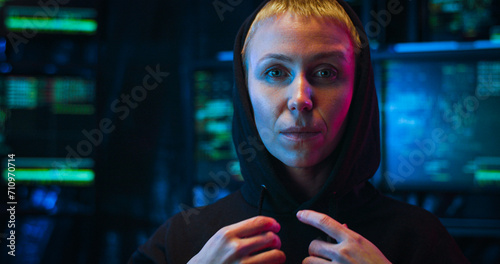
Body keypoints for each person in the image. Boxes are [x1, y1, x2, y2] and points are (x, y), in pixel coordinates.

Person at [129, 0, 470, 263]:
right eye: (275, 73)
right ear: (244, 89)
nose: (300, 99)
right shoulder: (180, 241)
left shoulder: (421, 241)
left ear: (360, 88)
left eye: (325, 72)